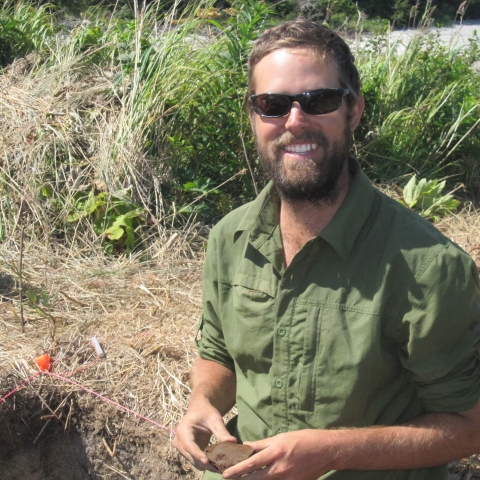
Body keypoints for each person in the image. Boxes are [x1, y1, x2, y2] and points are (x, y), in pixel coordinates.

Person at [173, 19, 480, 480]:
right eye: (273, 104)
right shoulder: (229, 238)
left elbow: (468, 426)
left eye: (319, 101)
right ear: (255, 117)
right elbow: (218, 354)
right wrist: (204, 401)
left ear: (353, 110)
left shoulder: (430, 267)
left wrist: (335, 451)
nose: (295, 121)